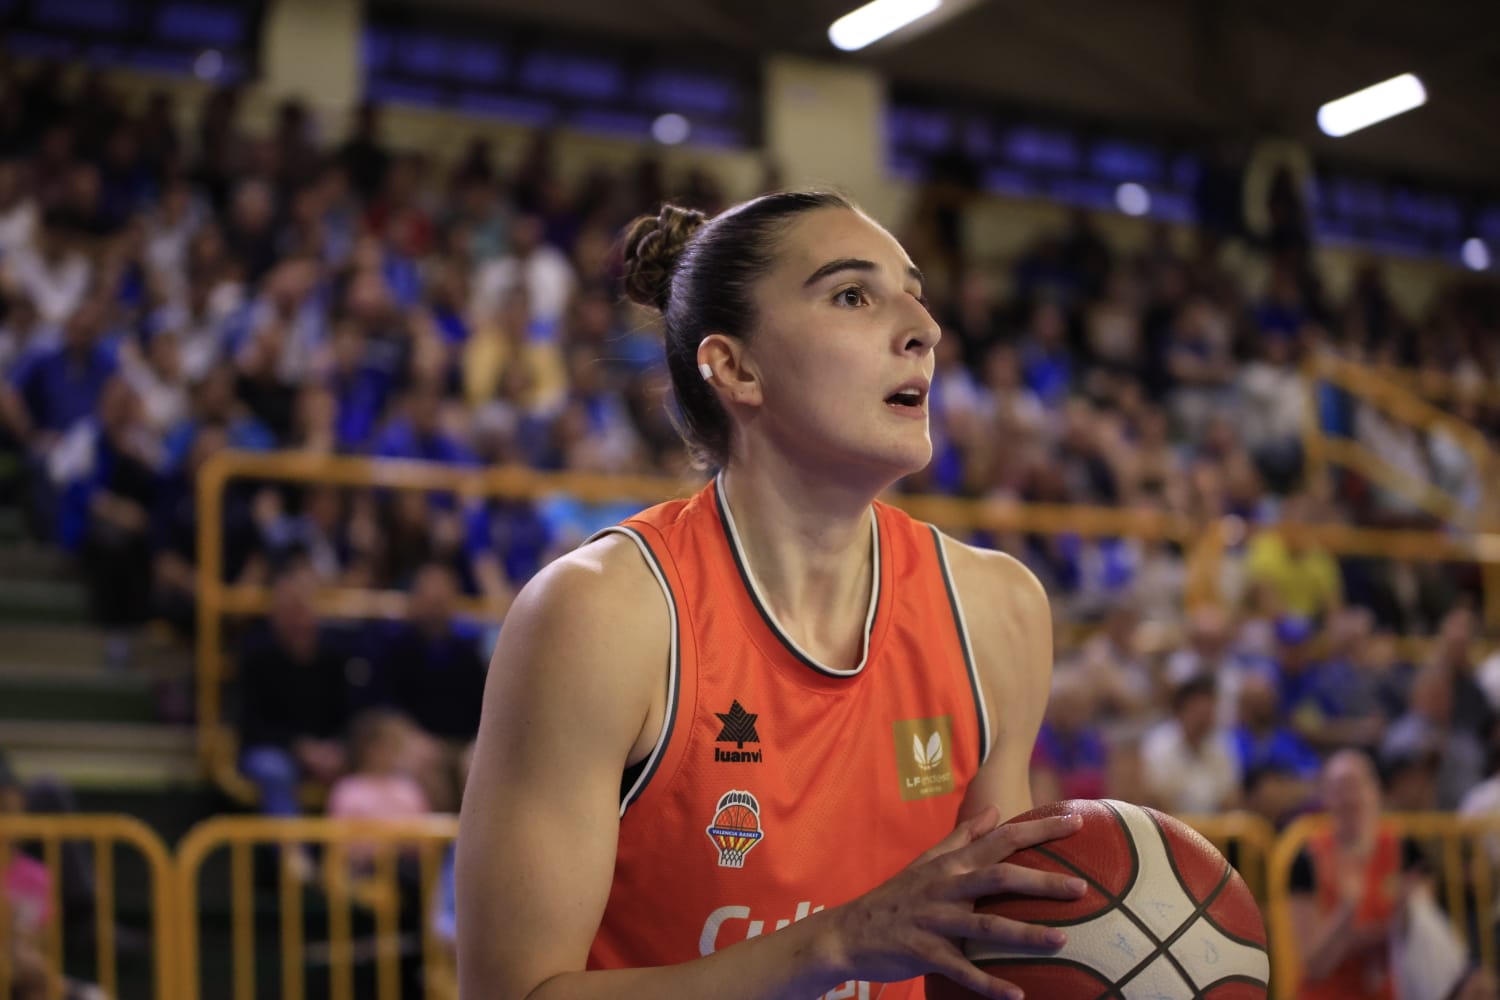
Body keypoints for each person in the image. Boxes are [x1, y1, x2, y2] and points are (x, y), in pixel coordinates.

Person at [456, 190, 1085, 1000]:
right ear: (736, 367)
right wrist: (833, 946)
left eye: (916, 294)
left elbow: (991, 959)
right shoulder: (602, 615)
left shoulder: (999, 610)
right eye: (853, 295)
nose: (923, 329)